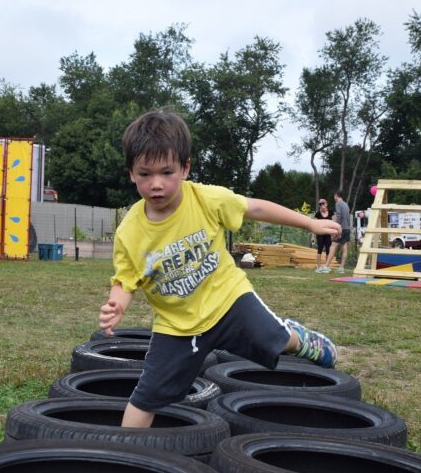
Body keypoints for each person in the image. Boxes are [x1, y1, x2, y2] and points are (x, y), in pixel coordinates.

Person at [99, 109, 341, 429]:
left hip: (229, 301)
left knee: (278, 341)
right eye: (145, 174)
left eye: (166, 172)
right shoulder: (129, 232)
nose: (156, 184)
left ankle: (302, 338)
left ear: (185, 168)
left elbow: (255, 207)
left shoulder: (206, 199)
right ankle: (127, 457)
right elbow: (126, 280)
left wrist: (310, 222)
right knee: (145, 398)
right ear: (131, 173)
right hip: (177, 327)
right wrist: (117, 304)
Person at [323, 190, 351, 273]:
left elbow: (338, 215)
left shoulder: (338, 203)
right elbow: (348, 217)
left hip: (341, 228)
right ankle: (341, 268)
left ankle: (326, 267)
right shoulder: (346, 204)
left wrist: (335, 227)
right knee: (344, 248)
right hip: (347, 229)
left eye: (334, 196)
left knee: (333, 246)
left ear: (336, 195)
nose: (334, 198)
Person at [313, 198, 333, 272]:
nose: (321, 205)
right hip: (320, 234)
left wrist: (334, 233)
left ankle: (326, 267)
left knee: (328, 250)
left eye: (323, 203)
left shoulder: (331, 213)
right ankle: (319, 267)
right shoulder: (317, 214)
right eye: (320, 204)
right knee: (320, 250)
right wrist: (313, 237)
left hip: (328, 234)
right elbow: (313, 225)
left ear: (326, 204)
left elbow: (334, 223)